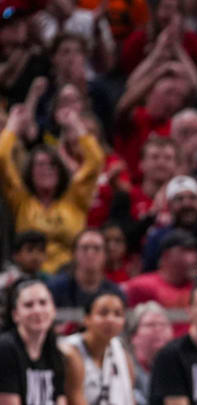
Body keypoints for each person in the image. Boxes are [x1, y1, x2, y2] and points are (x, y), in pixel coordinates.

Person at [0, 97, 105, 274]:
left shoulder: (75, 199)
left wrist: (75, 124)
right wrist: (13, 126)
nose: (46, 170)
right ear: (30, 172)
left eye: (51, 165)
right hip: (29, 277)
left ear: (61, 170)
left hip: (69, 276)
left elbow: (95, 161)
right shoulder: (21, 200)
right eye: (39, 165)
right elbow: (2, 158)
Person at [0, 279, 79, 404]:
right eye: (28, 305)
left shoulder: (54, 352)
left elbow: (60, 400)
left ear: (53, 309)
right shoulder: (5, 349)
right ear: (15, 315)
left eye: (43, 303)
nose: (37, 310)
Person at [63, 291, 134, 404]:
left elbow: (130, 398)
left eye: (118, 314)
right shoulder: (69, 351)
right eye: (103, 313)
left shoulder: (121, 352)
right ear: (86, 319)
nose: (111, 319)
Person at [48, 229, 125, 308]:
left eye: (97, 248)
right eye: (85, 248)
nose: (90, 253)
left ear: (105, 255)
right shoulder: (54, 288)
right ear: (74, 253)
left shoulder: (115, 294)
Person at [127, 301, 173, 405]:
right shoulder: (124, 366)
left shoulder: (177, 366)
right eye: (150, 325)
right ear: (134, 336)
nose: (158, 329)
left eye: (163, 324)